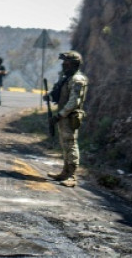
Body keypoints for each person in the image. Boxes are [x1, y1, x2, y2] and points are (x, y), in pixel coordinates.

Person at [46, 50, 89, 187]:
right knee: (65, 144)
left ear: (73, 64)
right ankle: (65, 172)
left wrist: (59, 116)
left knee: (70, 144)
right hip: (63, 117)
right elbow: (60, 93)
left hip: (70, 117)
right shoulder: (67, 78)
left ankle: (72, 176)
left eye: (66, 62)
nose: (63, 64)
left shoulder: (78, 80)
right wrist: (50, 96)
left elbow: (73, 102)